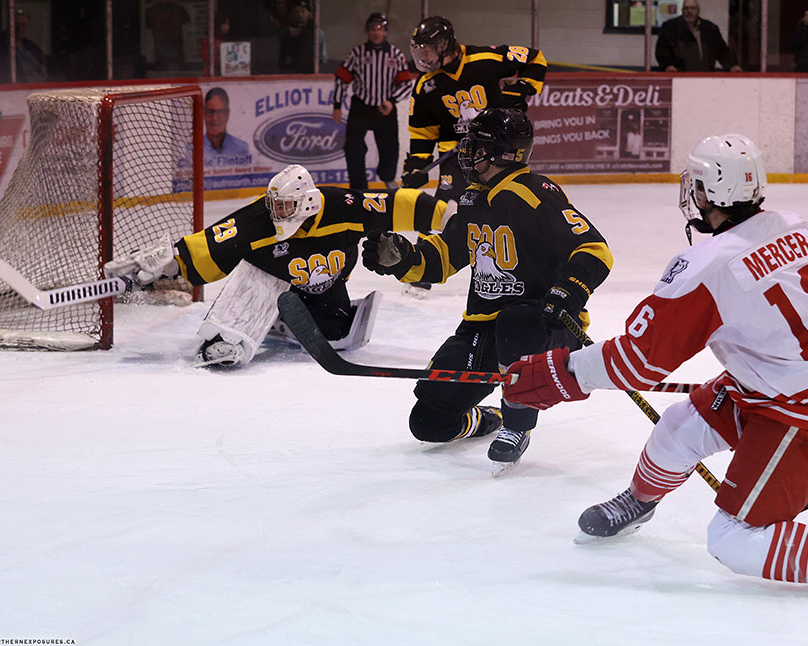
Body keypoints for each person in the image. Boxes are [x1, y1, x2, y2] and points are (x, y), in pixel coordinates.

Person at [503, 134, 808, 611]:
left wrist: (560, 372)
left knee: (731, 537)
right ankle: (639, 503)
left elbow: (639, 360)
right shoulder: (798, 226)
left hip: (807, 413)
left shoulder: (706, 266)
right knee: (678, 426)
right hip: (799, 382)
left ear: (707, 192)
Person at [362, 109, 613, 476]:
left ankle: (517, 422)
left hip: (545, 328)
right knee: (429, 422)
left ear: (500, 152)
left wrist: (569, 291)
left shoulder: (534, 193)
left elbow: (594, 250)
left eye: (476, 145)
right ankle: (488, 418)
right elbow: (443, 259)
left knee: (514, 320)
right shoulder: (474, 199)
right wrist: (402, 258)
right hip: (484, 329)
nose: (467, 151)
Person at [106, 165, 450, 368]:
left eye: (285, 206)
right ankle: (231, 330)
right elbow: (211, 245)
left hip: (324, 286)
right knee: (257, 275)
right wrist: (171, 262)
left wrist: (449, 216)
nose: (276, 212)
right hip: (266, 286)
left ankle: (279, 320)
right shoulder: (258, 220)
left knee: (337, 336)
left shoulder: (342, 207)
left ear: (306, 203)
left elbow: (397, 203)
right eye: (274, 204)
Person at [401, 15, 548, 296]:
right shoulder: (425, 86)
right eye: (418, 51)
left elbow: (535, 59)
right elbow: (423, 133)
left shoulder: (485, 58)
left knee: (510, 200)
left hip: (497, 149)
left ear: (444, 45)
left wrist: (522, 89)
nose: (422, 57)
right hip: (455, 156)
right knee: (443, 205)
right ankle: (423, 266)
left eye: (427, 50)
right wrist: (416, 166)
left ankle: (526, 259)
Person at [332, 13, 417, 190]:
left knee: (390, 148)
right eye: (372, 29)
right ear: (367, 32)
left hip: (385, 107)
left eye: (379, 29)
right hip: (361, 106)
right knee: (353, 148)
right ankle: (358, 187)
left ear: (385, 32)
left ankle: (387, 178)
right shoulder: (358, 53)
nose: (375, 33)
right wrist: (337, 105)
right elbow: (341, 78)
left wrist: (392, 101)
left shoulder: (395, 55)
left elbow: (406, 84)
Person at [655, 0, 742, 72]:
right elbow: (661, 51)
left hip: (706, 78)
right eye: (686, 8)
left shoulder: (710, 29)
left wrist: (732, 66)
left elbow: (722, 51)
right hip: (680, 78)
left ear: (698, 11)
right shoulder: (670, 27)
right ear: (682, 10)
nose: (689, 11)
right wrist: (667, 66)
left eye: (693, 8)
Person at [203, 87, 250, 163]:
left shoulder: (241, 148)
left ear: (227, 113)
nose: (215, 118)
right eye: (210, 112)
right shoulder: (191, 150)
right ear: (204, 112)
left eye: (220, 112)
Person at [280, 0, 326, 73]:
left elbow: (322, 60)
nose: (299, 15)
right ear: (290, 14)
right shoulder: (284, 34)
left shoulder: (317, 34)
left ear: (309, 14)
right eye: (296, 12)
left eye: (303, 11)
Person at [145, 0, 190, 70]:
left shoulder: (179, 9)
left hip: (175, 54)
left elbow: (189, 29)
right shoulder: (150, 11)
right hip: (161, 54)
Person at [10, 10, 46, 82]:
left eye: (23, 25)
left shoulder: (34, 48)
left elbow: (43, 71)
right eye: (17, 24)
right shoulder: (2, 48)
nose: (20, 28)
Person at [201, 11, 231, 76]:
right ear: (218, 25)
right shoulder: (209, 41)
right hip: (212, 75)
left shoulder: (222, 40)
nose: (228, 27)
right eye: (225, 24)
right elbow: (208, 59)